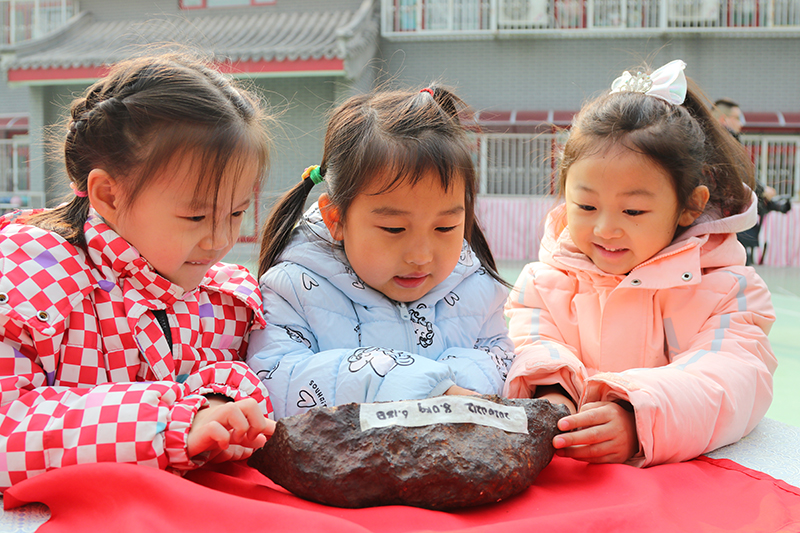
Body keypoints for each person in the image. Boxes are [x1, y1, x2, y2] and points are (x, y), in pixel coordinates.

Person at [0, 52, 277, 490]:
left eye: (237, 213)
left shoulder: (224, 299)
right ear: (108, 194)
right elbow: (8, 423)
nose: (219, 240)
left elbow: (230, 374)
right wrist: (169, 424)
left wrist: (221, 404)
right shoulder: (31, 278)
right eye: (195, 217)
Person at [503, 60, 777, 467]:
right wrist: (551, 394)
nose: (606, 228)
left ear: (689, 205)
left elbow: (733, 377)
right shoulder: (544, 283)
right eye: (587, 205)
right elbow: (533, 343)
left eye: (632, 211)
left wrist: (637, 417)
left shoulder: (729, 291)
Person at [246, 86, 515, 420]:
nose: (421, 256)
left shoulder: (476, 288)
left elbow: (501, 361)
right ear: (337, 219)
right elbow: (274, 380)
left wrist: (452, 389)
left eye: (445, 228)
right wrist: (423, 387)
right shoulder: (295, 288)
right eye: (394, 230)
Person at [713, 97, 790, 265]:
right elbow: (738, 175)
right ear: (723, 119)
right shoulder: (725, 143)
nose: (741, 124)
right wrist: (762, 191)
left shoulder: (709, 140)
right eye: (737, 118)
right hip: (730, 218)